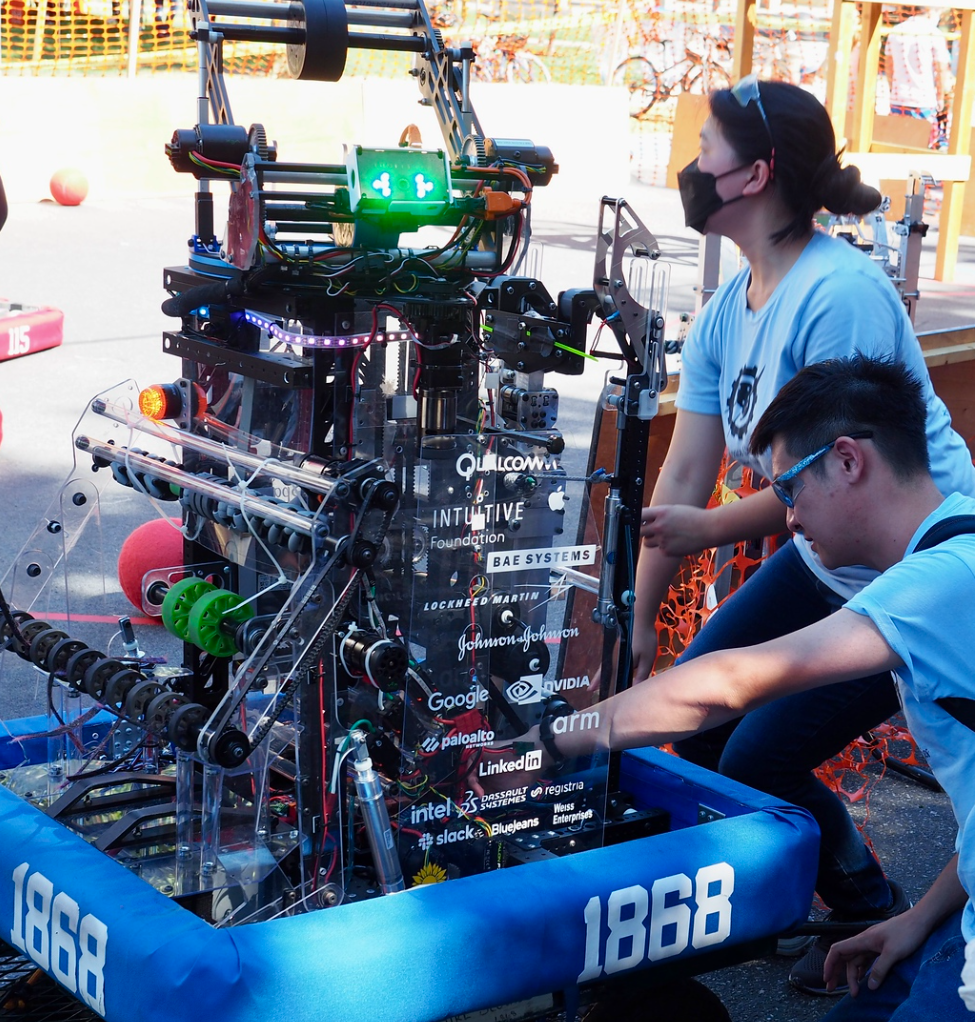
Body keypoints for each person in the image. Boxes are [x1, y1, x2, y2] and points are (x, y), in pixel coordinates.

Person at [632, 78, 975, 994]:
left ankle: (868, 907)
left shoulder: (839, 292)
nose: (691, 166)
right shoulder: (727, 307)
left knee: (758, 750)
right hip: (823, 551)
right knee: (698, 729)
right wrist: (637, 621)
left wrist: (709, 528)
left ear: (754, 174)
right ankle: (837, 899)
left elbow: (835, 473)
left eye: (705, 148)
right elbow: (683, 480)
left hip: (904, 561)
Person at [539, 355, 975, 1018]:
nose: (788, 520)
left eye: (789, 489)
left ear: (848, 461)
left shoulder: (939, 584)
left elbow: (728, 682)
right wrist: (917, 920)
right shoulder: (957, 538)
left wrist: (550, 739)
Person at [885, 6, 954, 151]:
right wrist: (941, 97)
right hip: (924, 101)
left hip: (898, 99)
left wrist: (893, 88)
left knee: (896, 145)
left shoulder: (896, 31)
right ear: (930, 10)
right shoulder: (933, 33)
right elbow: (941, 69)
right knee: (924, 149)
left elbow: (888, 67)